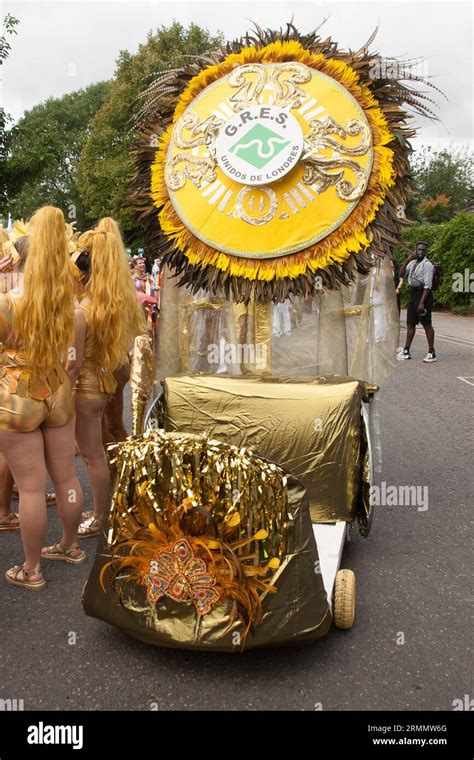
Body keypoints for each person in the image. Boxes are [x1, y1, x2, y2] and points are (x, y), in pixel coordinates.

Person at [0, 206, 86, 590]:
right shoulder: (73, 310)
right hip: (59, 393)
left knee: (31, 488)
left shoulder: (7, 304)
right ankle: (70, 546)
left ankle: (32, 569)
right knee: (66, 475)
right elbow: (75, 363)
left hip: (16, 397)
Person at [70, 229, 146, 538]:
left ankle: (102, 512)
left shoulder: (87, 307)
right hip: (107, 375)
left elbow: (73, 360)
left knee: (94, 453)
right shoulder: (113, 300)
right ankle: (117, 498)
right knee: (105, 442)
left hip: (92, 384)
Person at [95, 217, 133, 445]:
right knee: (113, 425)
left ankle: (123, 471)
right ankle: (121, 469)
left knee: (104, 427)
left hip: (103, 365)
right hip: (119, 359)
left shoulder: (95, 285)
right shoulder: (123, 282)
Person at [398, 241, 437, 362]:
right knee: (410, 324)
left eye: (423, 250)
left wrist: (421, 302)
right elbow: (401, 274)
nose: (420, 252)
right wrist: (408, 260)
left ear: (426, 251)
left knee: (426, 324)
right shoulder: (413, 263)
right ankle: (406, 350)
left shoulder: (427, 265)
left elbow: (428, 285)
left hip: (423, 295)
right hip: (413, 294)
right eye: (419, 250)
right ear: (416, 250)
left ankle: (431, 352)